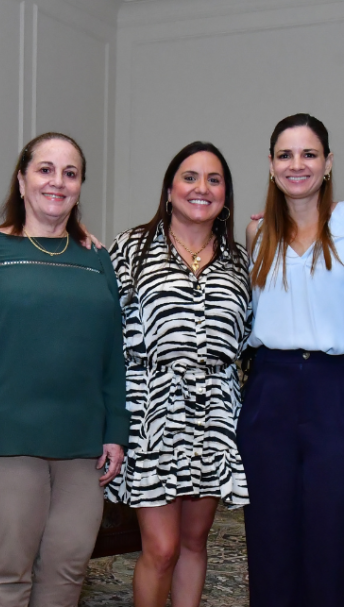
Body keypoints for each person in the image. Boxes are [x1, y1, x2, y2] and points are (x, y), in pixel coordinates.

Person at [0, 132, 128, 607]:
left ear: (79, 186)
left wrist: (116, 429)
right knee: (8, 572)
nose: (57, 182)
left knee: (69, 566)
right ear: (22, 178)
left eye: (70, 173)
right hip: (4, 438)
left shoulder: (96, 260)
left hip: (82, 443)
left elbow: (111, 355)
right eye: (45, 170)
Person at [237, 113, 344, 607]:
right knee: (269, 535)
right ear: (272, 166)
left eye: (309, 154)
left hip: (340, 390)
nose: (297, 164)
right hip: (268, 391)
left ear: (328, 162)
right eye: (285, 155)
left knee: (335, 532)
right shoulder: (257, 235)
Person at [106, 142, 251, 607]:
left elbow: (248, 338)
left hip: (214, 414)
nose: (201, 188)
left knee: (193, 543)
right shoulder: (131, 247)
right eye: (190, 177)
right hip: (151, 410)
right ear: (169, 190)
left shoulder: (241, 261)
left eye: (214, 180)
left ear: (226, 196)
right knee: (162, 547)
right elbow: (104, 331)